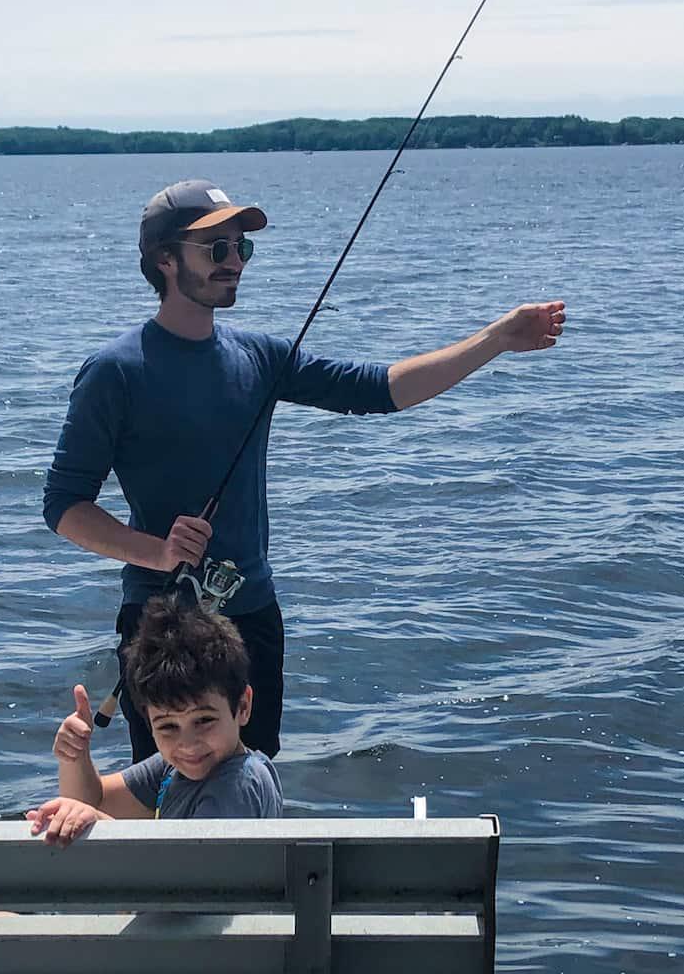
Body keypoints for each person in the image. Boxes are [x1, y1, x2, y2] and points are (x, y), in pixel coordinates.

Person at [43, 178, 566, 764]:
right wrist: (156, 552)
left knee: (256, 785)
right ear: (164, 259)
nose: (234, 261)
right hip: (164, 624)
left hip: (251, 617)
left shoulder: (260, 356)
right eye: (216, 249)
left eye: (242, 248)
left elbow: (381, 389)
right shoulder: (115, 371)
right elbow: (64, 506)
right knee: (169, 797)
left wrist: (494, 339)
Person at [27, 594, 283, 846]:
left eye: (204, 720)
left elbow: (195, 872)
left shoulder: (239, 783)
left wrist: (101, 826)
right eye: (168, 726)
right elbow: (96, 800)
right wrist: (75, 757)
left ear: (243, 706)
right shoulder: (171, 770)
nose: (188, 744)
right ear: (148, 721)